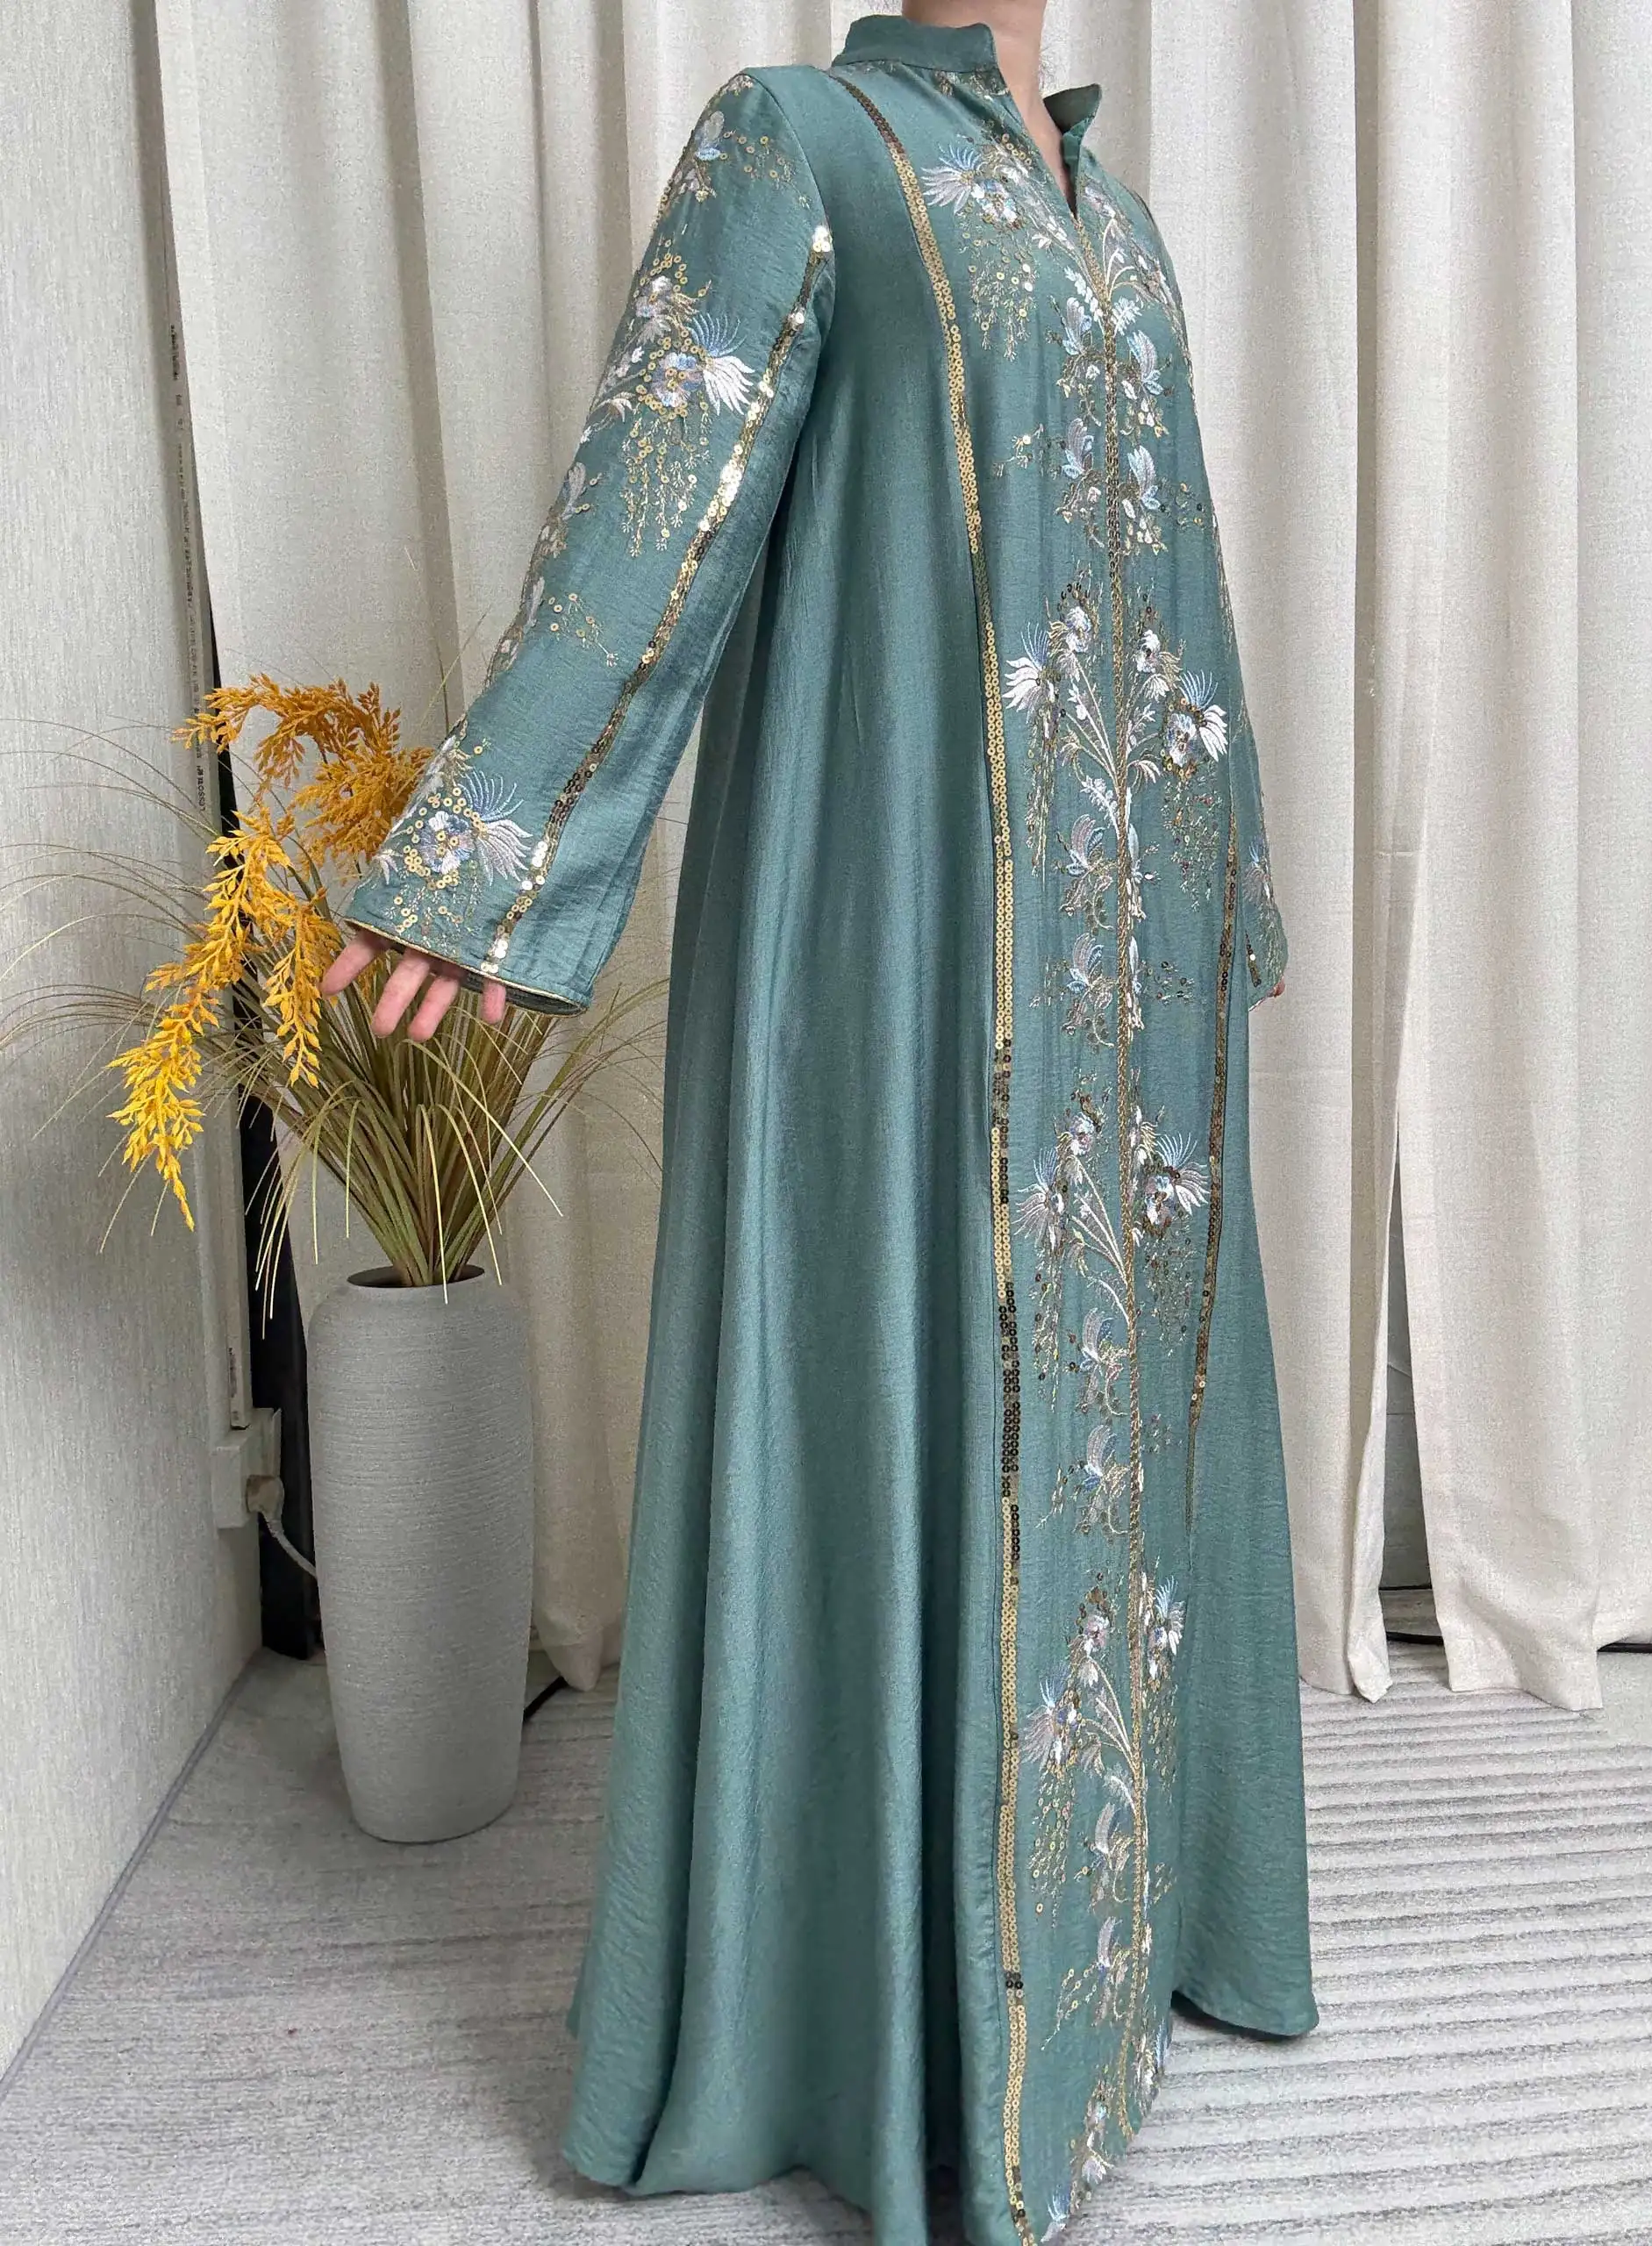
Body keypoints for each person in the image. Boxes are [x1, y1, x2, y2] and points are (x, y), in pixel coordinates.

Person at [324, 5, 1316, 2240]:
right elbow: (650, 514)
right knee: (913, 1407)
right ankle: (880, 2021)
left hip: (1129, 990)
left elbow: (1185, 590)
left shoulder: (1117, 220)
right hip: (910, 951)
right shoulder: (804, 145)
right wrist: (485, 857)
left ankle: (1122, 1937)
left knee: (1123, 1458)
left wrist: (1223, 889)